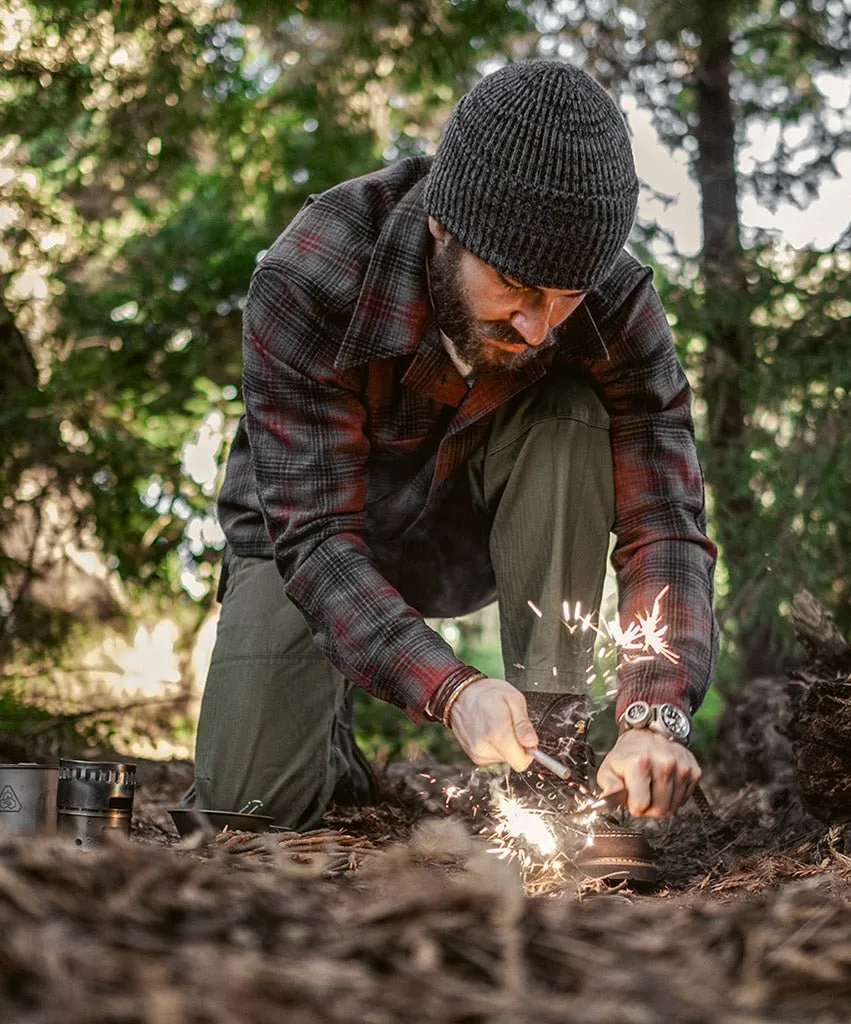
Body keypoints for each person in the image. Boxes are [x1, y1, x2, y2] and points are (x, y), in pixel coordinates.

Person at [194, 60, 719, 877]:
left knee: (569, 408)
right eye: (513, 285)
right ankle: (325, 737)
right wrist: (449, 687)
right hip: (313, 547)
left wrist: (657, 708)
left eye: (565, 297)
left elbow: (667, 522)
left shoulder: (617, 303)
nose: (538, 326)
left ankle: (554, 780)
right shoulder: (310, 276)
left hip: (475, 530)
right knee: (247, 807)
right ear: (445, 224)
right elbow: (317, 539)